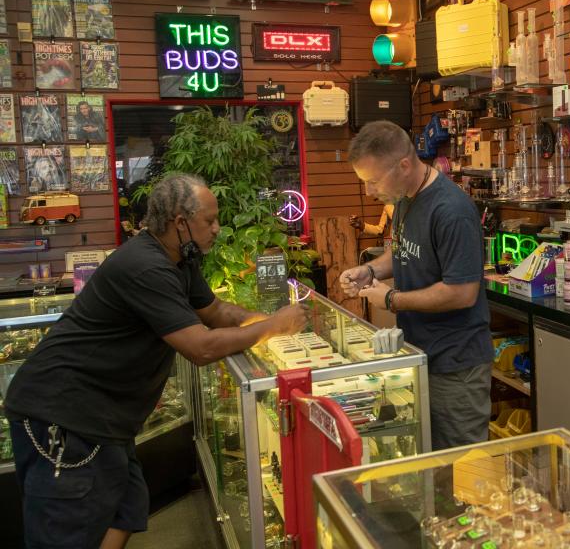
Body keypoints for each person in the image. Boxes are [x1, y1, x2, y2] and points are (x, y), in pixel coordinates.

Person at [4, 173, 308, 548]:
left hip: (103, 420)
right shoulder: (145, 266)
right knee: (69, 532)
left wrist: (265, 322)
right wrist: (274, 327)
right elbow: (201, 348)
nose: (217, 228)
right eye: (209, 220)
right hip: (64, 417)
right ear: (180, 222)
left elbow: (215, 311)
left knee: (126, 508)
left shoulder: (180, 258)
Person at [339, 121, 493, 451]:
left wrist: (392, 299)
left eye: (373, 181)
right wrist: (369, 270)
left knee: (464, 470)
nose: (369, 191)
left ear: (404, 165)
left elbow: (462, 292)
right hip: (420, 355)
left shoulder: (452, 211)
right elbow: (402, 249)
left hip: (456, 366)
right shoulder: (406, 196)